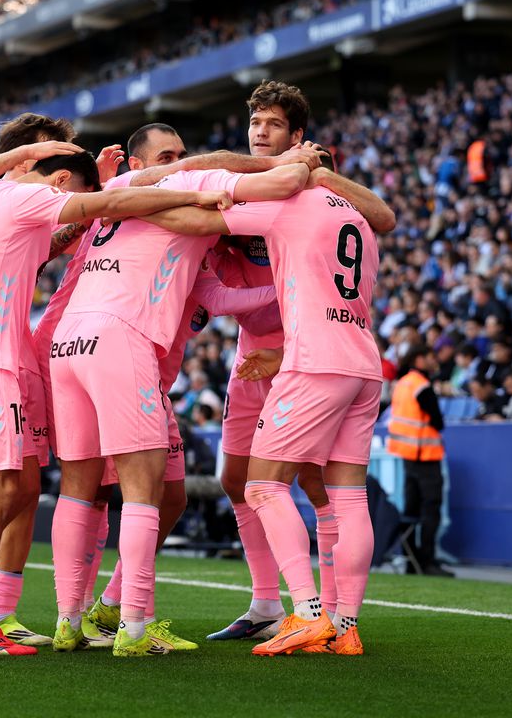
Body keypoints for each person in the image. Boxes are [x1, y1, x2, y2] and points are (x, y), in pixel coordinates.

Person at [0, 132, 235, 658]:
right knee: (4, 490)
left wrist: (60, 176)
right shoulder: (28, 196)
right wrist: (187, 190)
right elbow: (107, 204)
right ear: (56, 178)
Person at [145, 104, 395, 657]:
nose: (262, 134)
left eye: (277, 129)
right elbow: (382, 217)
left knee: (265, 485)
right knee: (349, 496)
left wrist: (136, 202)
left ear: (300, 155)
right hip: (360, 360)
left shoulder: (285, 205)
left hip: (309, 361)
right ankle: (343, 625)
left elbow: (196, 222)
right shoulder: (356, 219)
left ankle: (304, 612)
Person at [48, 152, 320, 657]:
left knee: (78, 489)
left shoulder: (122, 190)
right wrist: (298, 163)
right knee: (142, 490)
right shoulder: (199, 179)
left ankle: (70, 620)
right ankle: (133, 628)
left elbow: (216, 299)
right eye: (168, 154)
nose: (175, 161)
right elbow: (276, 185)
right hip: (121, 339)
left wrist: (277, 288)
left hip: (69, 342)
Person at [384, 346, 450, 577]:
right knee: (431, 508)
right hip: (425, 455)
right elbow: (438, 421)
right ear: (419, 358)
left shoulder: (403, 383)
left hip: (407, 455)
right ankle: (427, 561)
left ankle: (411, 561)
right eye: (431, 356)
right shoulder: (421, 385)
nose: (434, 360)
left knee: (411, 510)